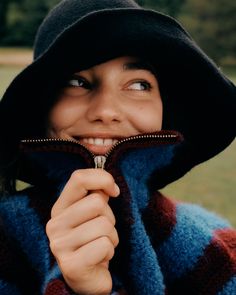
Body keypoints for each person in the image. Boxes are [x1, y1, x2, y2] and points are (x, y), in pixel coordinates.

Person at [0, 0, 236, 294]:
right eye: (77, 81)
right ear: (43, 105)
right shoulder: (5, 235)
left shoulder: (219, 244)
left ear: (165, 111)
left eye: (138, 85)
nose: (106, 110)